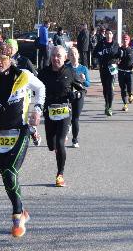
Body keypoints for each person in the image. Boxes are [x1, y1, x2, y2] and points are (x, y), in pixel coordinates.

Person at [0, 41, 45, 238]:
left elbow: (41, 89)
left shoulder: (23, 75)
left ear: (10, 59)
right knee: (6, 176)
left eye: (2, 59)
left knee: (11, 172)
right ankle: (22, 211)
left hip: (20, 131)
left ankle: (17, 216)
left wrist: (37, 110)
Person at [38, 46, 85, 187]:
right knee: (51, 145)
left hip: (64, 111)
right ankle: (58, 145)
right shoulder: (44, 73)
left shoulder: (70, 72)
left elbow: (82, 90)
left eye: (58, 55)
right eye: (53, 55)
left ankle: (60, 174)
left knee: (59, 143)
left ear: (65, 58)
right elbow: (35, 89)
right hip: (49, 112)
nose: (55, 58)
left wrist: (76, 94)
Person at [6, 38, 40, 146]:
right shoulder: (3, 61)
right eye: (6, 47)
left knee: (21, 118)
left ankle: (23, 140)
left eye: (10, 47)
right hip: (8, 94)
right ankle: (31, 130)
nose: (8, 49)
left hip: (24, 95)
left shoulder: (24, 61)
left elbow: (35, 75)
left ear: (16, 49)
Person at [93, 29, 120, 116]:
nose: (108, 35)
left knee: (110, 87)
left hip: (112, 67)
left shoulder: (115, 44)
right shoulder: (101, 43)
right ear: (105, 35)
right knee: (105, 88)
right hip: (103, 67)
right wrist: (100, 53)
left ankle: (110, 107)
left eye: (110, 33)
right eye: (107, 33)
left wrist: (117, 58)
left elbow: (118, 54)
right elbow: (94, 54)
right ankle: (107, 103)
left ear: (112, 35)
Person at [66, 47, 90, 148]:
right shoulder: (65, 67)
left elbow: (88, 84)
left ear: (78, 55)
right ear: (68, 56)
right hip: (67, 95)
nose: (74, 56)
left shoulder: (83, 68)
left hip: (79, 95)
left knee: (75, 118)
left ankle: (75, 140)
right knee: (66, 117)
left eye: (75, 54)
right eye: (71, 54)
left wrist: (83, 80)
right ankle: (66, 129)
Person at [117, 34, 133, 112]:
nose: (125, 41)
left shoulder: (132, 49)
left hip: (130, 73)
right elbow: (115, 58)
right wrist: (116, 61)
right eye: (123, 39)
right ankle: (125, 105)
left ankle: (131, 95)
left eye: (126, 39)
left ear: (129, 41)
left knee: (130, 89)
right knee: (123, 89)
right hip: (121, 72)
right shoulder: (119, 50)